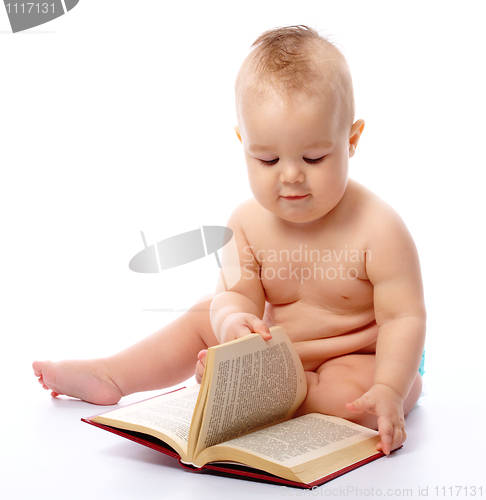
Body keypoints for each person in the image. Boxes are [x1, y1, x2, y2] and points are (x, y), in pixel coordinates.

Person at [33, 25, 425, 456]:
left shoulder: (379, 228)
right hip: (273, 354)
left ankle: (308, 396)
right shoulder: (246, 222)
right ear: (243, 143)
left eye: (314, 158)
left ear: (351, 140)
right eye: (267, 158)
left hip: (352, 359)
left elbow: (402, 319)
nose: (290, 174)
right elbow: (236, 296)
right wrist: (233, 323)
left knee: (365, 393)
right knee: (205, 312)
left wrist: (389, 384)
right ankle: (113, 374)